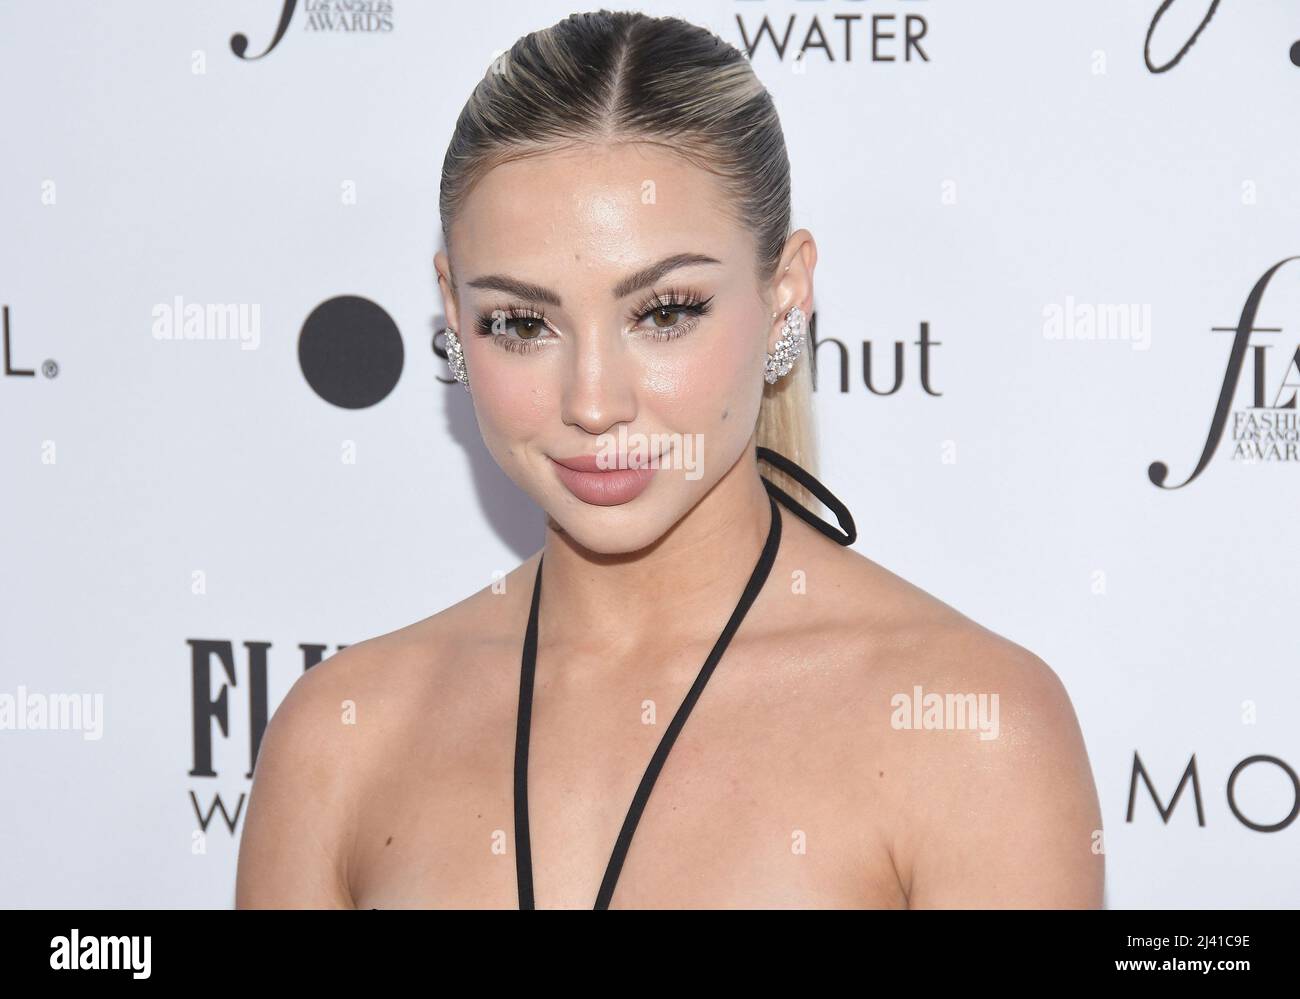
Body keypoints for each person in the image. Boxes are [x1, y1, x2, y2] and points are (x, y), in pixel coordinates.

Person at [235, 9, 1104, 909]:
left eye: (665, 311)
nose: (594, 402)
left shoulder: (969, 728)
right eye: (524, 323)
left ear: (786, 294)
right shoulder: (338, 740)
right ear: (454, 312)